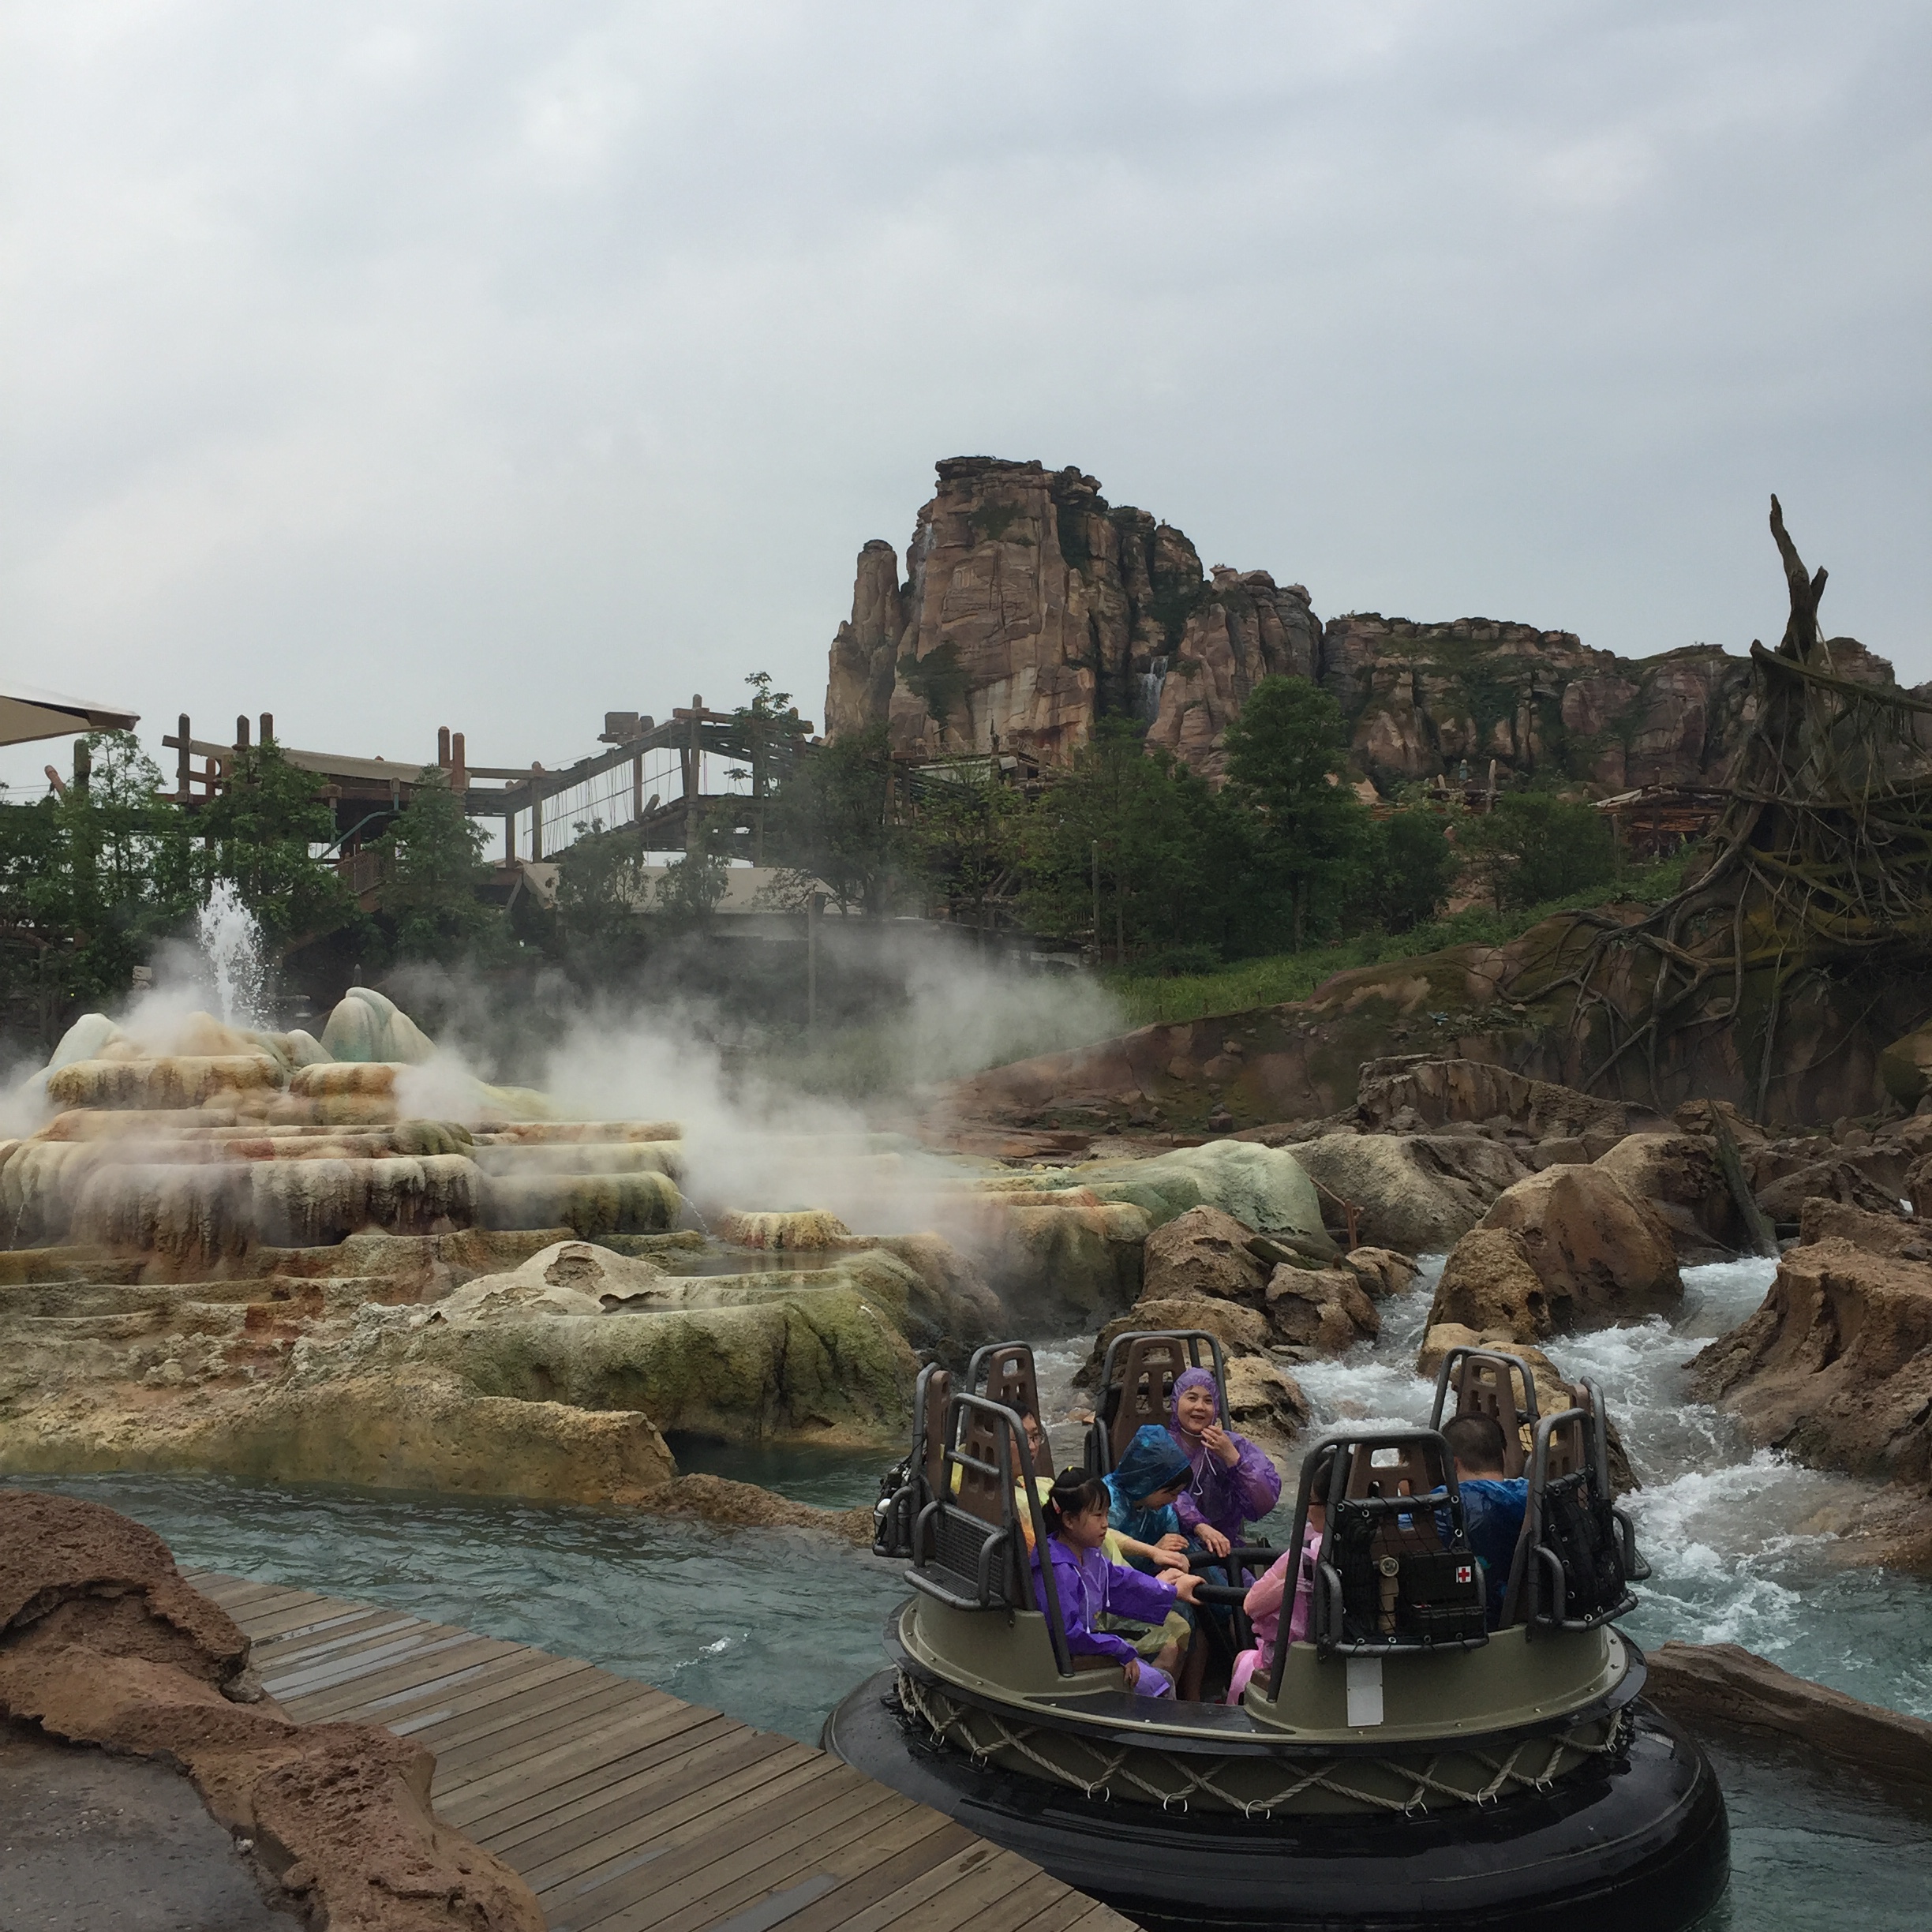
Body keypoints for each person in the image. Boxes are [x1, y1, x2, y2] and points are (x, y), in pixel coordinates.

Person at [1032, 1467, 1203, 1697]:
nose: (1106, 1524)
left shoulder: (1088, 1554)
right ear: (1069, 1520)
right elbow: (1066, 1635)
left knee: (1164, 1677)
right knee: (1162, 1685)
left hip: (1091, 1641)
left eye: (1106, 1514)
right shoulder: (1058, 1570)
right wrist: (1118, 1648)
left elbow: (1120, 1582)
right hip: (1072, 1659)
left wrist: (1168, 1590)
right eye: (1097, 1515)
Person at [1166, 1368, 1282, 1557]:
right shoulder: (1159, 1443)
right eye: (1192, 1398)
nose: (1200, 1407)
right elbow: (1160, 1493)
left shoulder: (1233, 1444)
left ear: (1217, 1408)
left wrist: (1233, 1459)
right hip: (1172, 1546)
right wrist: (1198, 1525)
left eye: (1208, 1400)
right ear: (1175, 1402)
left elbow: (1264, 1502)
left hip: (1224, 1549)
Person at [1225, 1503, 1324, 1706]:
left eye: (1311, 1501)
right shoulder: (1381, 1547)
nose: (1307, 1509)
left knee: (1244, 1659)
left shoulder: (1303, 1559)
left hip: (1293, 1662)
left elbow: (1251, 1605)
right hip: (1345, 1657)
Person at [1442, 1412, 1528, 1628]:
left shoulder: (1440, 1505)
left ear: (1451, 1465)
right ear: (1503, 1456)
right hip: (1531, 1617)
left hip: (1463, 1626)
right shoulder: (1534, 1494)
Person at [1103, 1425, 1193, 1574]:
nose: (1174, 1500)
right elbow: (1102, 1550)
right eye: (1171, 1493)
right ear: (1148, 1482)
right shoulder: (1106, 1502)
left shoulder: (1163, 1512)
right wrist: (1153, 1551)